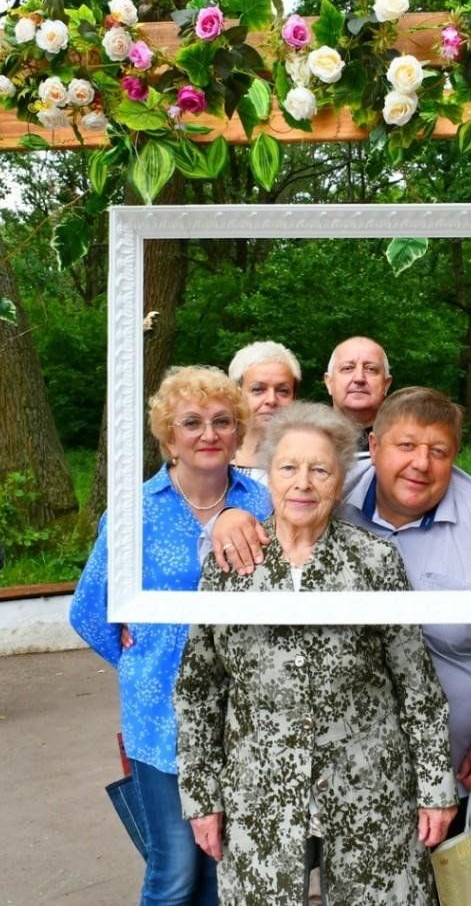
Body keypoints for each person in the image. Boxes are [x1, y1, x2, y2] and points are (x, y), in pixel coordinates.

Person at [214, 387, 471, 832]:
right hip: (338, 767)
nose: (421, 463)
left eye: (438, 451)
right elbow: (276, 501)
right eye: (406, 445)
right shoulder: (331, 484)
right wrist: (230, 516)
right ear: (373, 445)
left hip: (449, 767)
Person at [176, 402, 458, 905]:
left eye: (319, 469)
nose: (302, 482)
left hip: (370, 788)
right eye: (288, 467)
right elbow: (199, 692)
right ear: (268, 475)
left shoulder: (374, 561)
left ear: (339, 478)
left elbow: (416, 684)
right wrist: (202, 798)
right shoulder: (231, 562)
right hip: (259, 791)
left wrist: (436, 786)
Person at [70, 366, 271, 906]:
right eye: (193, 422)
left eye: (223, 422)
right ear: (169, 437)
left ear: (238, 432)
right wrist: (143, 660)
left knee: (222, 867)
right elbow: (90, 612)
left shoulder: (265, 505)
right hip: (161, 717)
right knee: (174, 869)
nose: (209, 434)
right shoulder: (134, 513)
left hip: (244, 714)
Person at [227, 340, 300, 482]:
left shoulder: (308, 459)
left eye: (283, 391)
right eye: (258, 390)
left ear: (294, 397)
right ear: (235, 394)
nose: (271, 400)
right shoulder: (214, 457)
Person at [323, 336, 392, 451]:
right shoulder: (306, 439)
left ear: (386, 384)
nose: (359, 378)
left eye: (370, 369)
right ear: (329, 383)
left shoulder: (404, 442)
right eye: (348, 368)